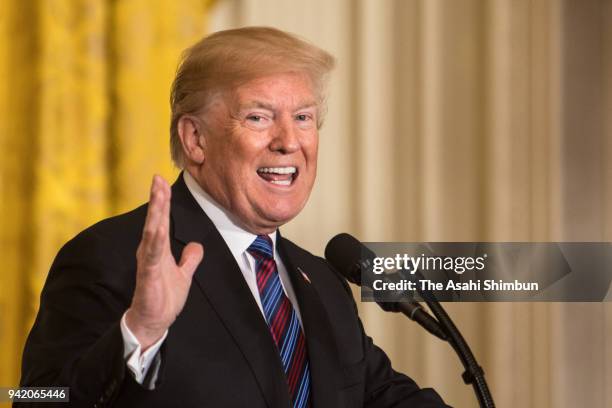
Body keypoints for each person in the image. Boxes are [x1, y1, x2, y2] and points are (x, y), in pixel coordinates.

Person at [19, 27, 450, 407]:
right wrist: (138, 332)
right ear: (195, 138)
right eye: (258, 117)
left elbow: (378, 396)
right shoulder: (109, 257)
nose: (288, 142)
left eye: (303, 118)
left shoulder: (322, 282)